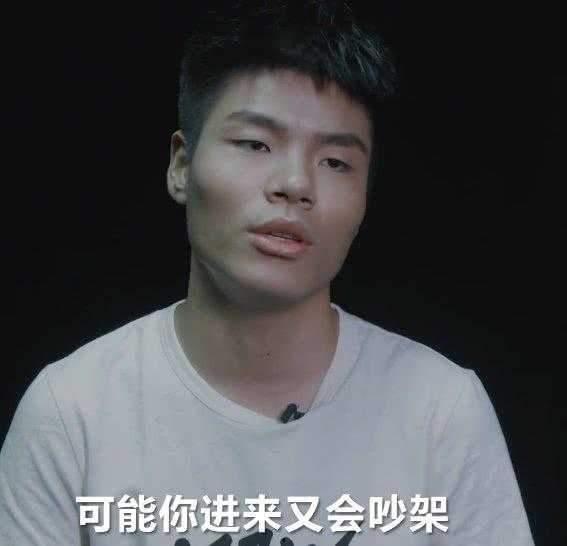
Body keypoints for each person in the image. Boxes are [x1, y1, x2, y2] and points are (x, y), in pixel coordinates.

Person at [0, 2, 534, 545]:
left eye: (335, 162)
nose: (295, 184)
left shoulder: (440, 409)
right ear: (181, 165)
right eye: (256, 144)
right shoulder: (73, 412)